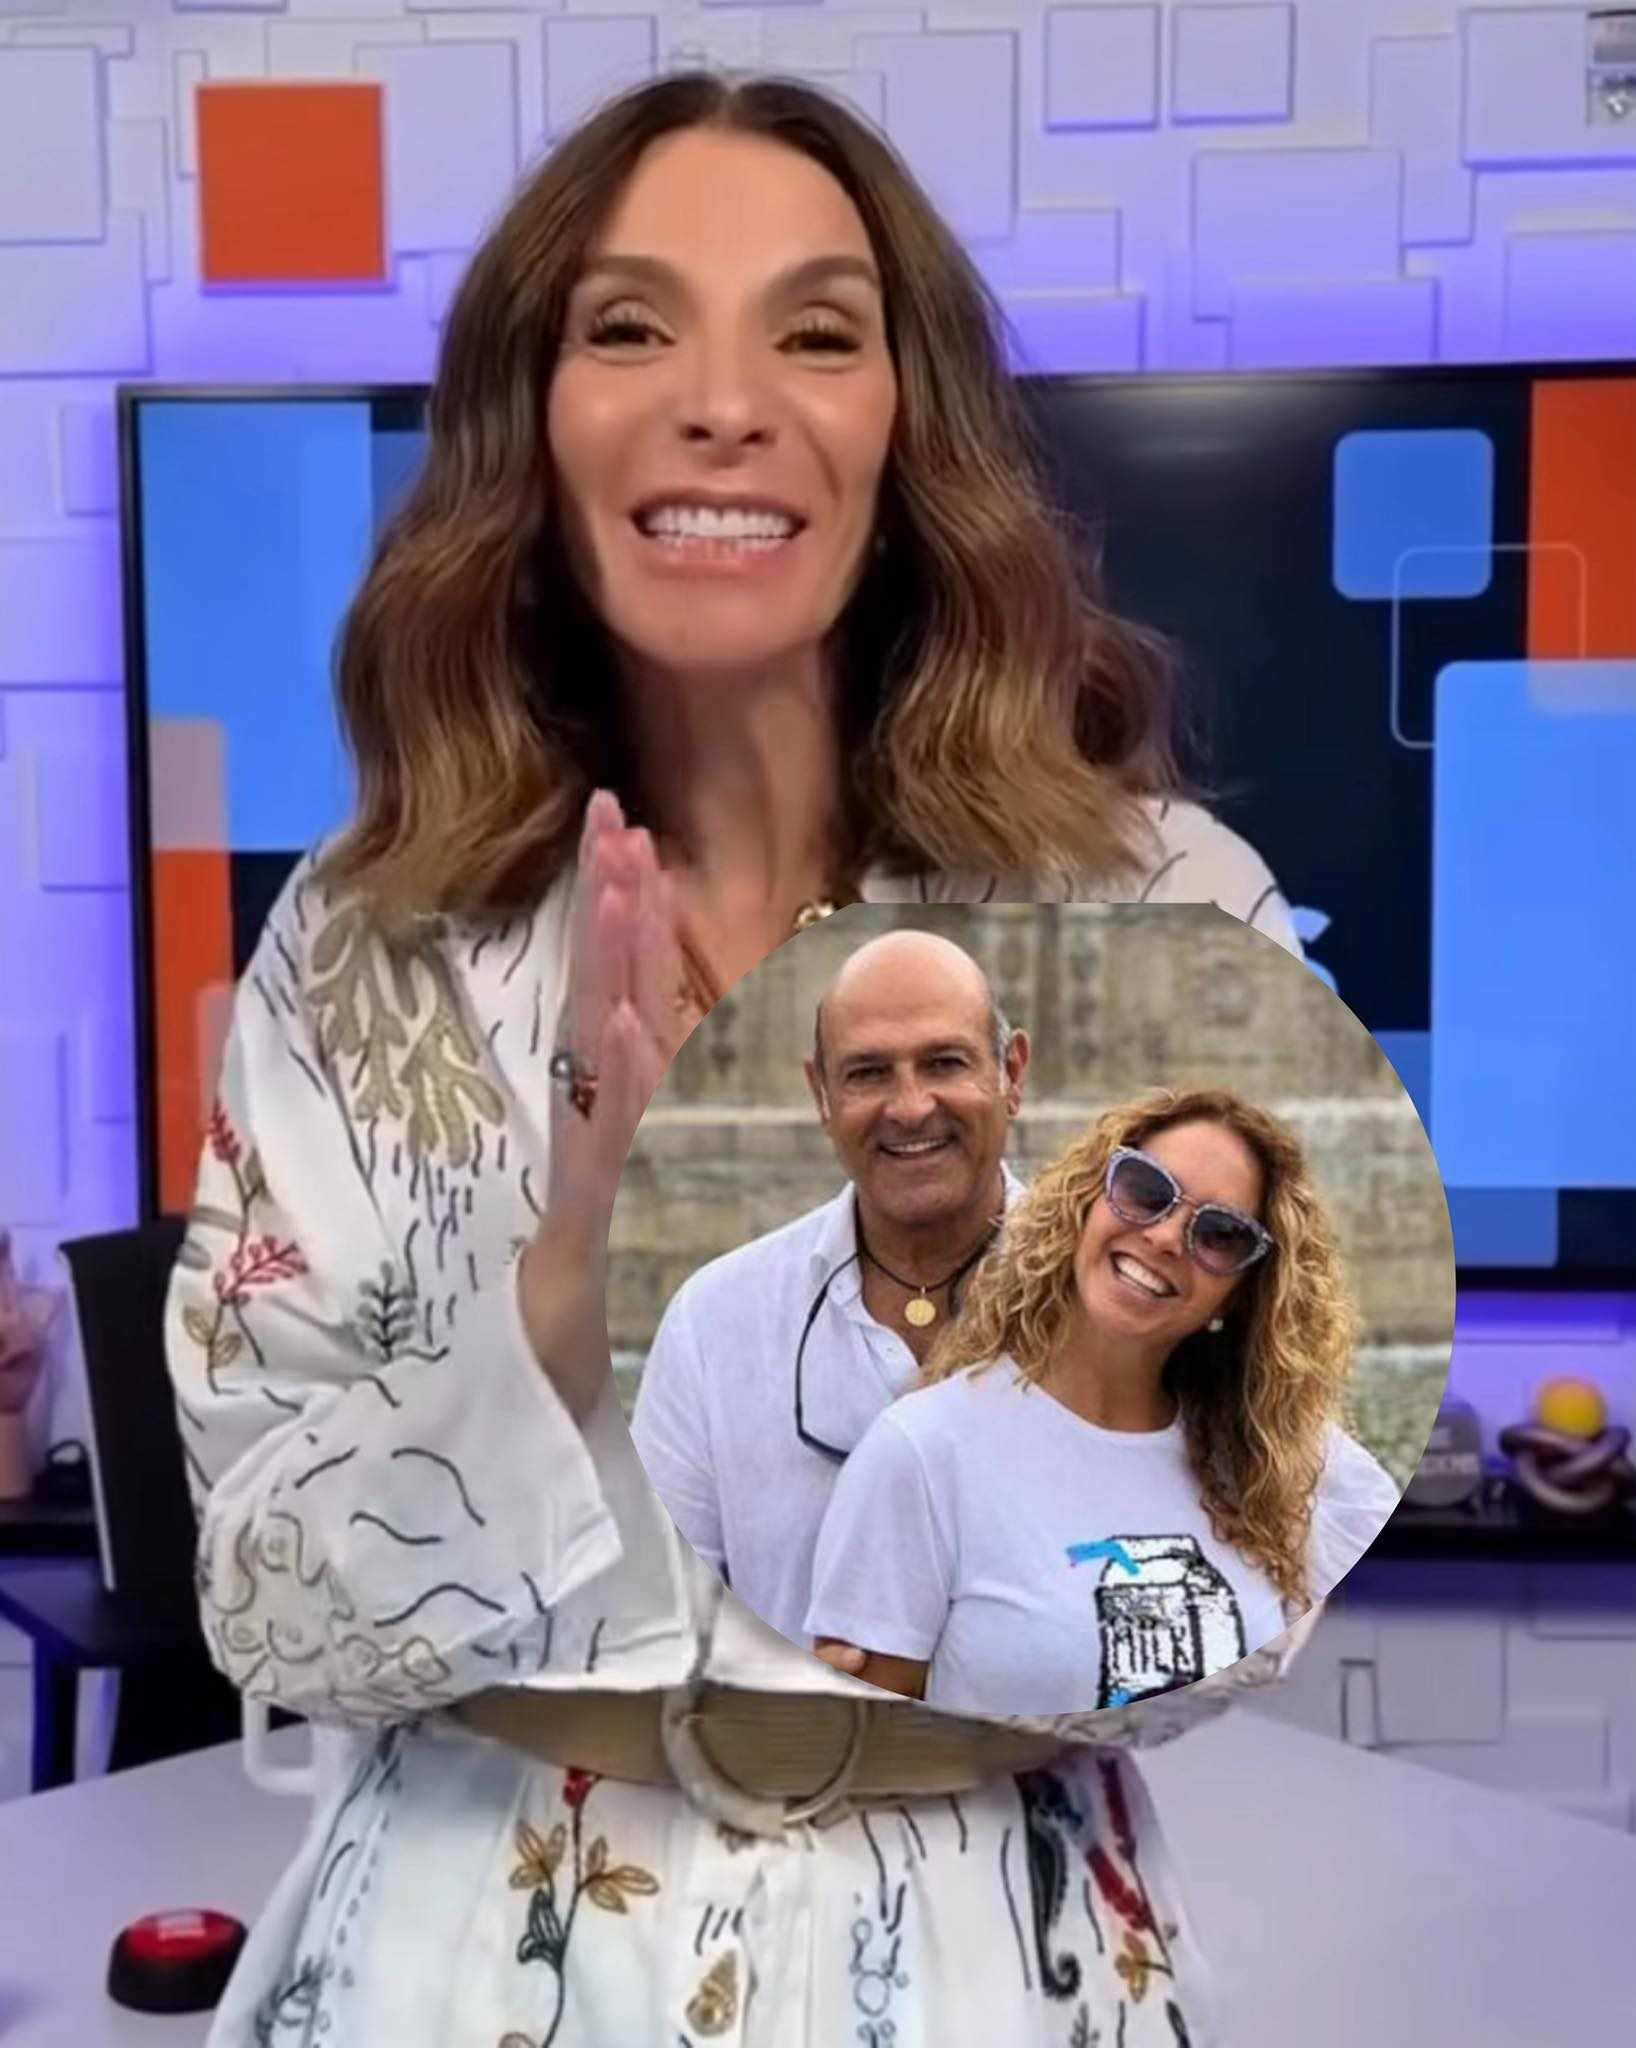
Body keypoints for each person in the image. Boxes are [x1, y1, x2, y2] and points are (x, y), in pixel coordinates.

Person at [166, 70, 1316, 2048]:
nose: (722, 401)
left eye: (815, 333)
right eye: (629, 328)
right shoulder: (368, 939)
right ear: (531, 422)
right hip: (464, 1956)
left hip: (992, 1966)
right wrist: (561, 1304)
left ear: (908, 427)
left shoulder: (1167, 921)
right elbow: (263, 1605)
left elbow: (1242, 1585)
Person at [807, 1088, 1402, 1715]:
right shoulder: (921, 1453)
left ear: (1241, 1293)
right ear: (1087, 1201)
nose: (1166, 1236)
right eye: (1146, 1190)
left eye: (1220, 1234)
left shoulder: (1272, 1467)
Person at [631, 927, 1031, 1645]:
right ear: (821, 1094)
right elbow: (659, 1620)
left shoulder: (1118, 1302)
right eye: (869, 1073)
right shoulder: (715, 1325)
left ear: (1013, 1075)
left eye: (944, 1063)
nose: (910, 1107)